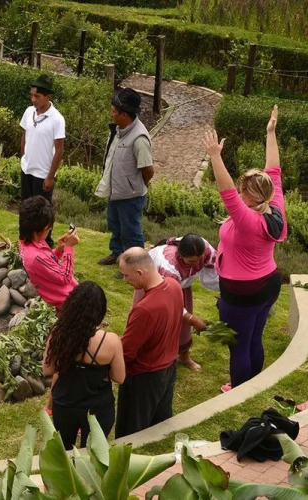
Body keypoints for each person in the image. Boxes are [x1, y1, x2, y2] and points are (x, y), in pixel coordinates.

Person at [202, 105, 286, 392]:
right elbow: (274, 169)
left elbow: (225, 191)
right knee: (254, 338)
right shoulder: (274, 206)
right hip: (268, 285)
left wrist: (215, 156)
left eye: (242, 191)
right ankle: (252, 386)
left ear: (250, 196)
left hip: (241, 292)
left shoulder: (247, 219)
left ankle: (238, 393)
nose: (238, 193)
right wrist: (270, 133)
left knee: (238, 346)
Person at [43, 282, 125, 450]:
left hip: (65, 404)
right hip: (98, 408)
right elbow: (119, 377)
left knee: (65, 453)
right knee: (93, 455)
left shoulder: (58, 333)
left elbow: (48, 369)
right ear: (100, 311)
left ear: (71, 306)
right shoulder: (110, 341)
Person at [116, 247, 183, 438]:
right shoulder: (174, 285)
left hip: (143, 378)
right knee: (159, 427)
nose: (125, 280)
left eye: (126, 275)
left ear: (139, 272)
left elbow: (126, 352)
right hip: (169, 368)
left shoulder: (145, 309)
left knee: (130, 434)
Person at [134, 234, 219, 371]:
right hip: (154, 287)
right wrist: (191, 318)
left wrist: (228, 290)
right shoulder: (168, 266)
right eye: (191, 261)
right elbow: (169, 299)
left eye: (199, 260)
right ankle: (145, 358)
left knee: (183, 325)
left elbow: (216, 268)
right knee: (155, 323)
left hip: (181, 286)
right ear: (180, 255)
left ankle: (184, 356)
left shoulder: (204, 248)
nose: (197, 264)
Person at [95, 88, 154, 268]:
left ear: (124, 115)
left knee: (131, 231)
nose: (111, 113)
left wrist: (137, 185)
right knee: (115, 225)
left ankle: (133, 264)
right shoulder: (118, 130)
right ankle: (117, 254)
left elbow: (148, 169)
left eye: (114, 111)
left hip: (131, 196)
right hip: (116, 191)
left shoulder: (139, 138)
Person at [19, 74, 65, 248]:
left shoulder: (57, 119)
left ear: (48, 96)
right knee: (26, 209)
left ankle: (45, 246)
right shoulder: (28, 112)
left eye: (37, 96)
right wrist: (24, 156)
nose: (33, 100)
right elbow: (25, 134)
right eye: (32, 95)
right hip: (27, 170)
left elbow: (59, 149)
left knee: (43, 213)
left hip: (43, 174)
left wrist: (50, 176)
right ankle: (25, 243)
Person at [19, 195, 78, 309]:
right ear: (36, 231)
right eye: (48, 228)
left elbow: (46, 265)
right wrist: (69, 248)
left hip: (70, 297)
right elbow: (65, 277)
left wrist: (59, 250)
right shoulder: (35, 257)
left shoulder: (31, 242)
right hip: (68, 303)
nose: (50, 229)